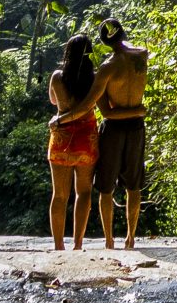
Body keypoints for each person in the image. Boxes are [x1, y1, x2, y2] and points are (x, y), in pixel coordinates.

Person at [85, 16, 150, 249]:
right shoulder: (141, 56)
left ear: (104, 42)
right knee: (133, 185)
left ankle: (110, 240)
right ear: (123, 35)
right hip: (135, 126)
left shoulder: (107, 68)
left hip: (114, 129)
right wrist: (138, 110)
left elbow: (106, 113)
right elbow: (136, 47)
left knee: (106, 186)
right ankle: (130, 237)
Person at [44, 33, 101, 251]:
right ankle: (77, 244)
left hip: (61, 138)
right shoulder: (94, 79)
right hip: (87, 140)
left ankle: (58, 246)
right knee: (83, 192)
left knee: (59, 195)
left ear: (68, 52)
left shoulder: (57, 77)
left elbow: (52, 100)